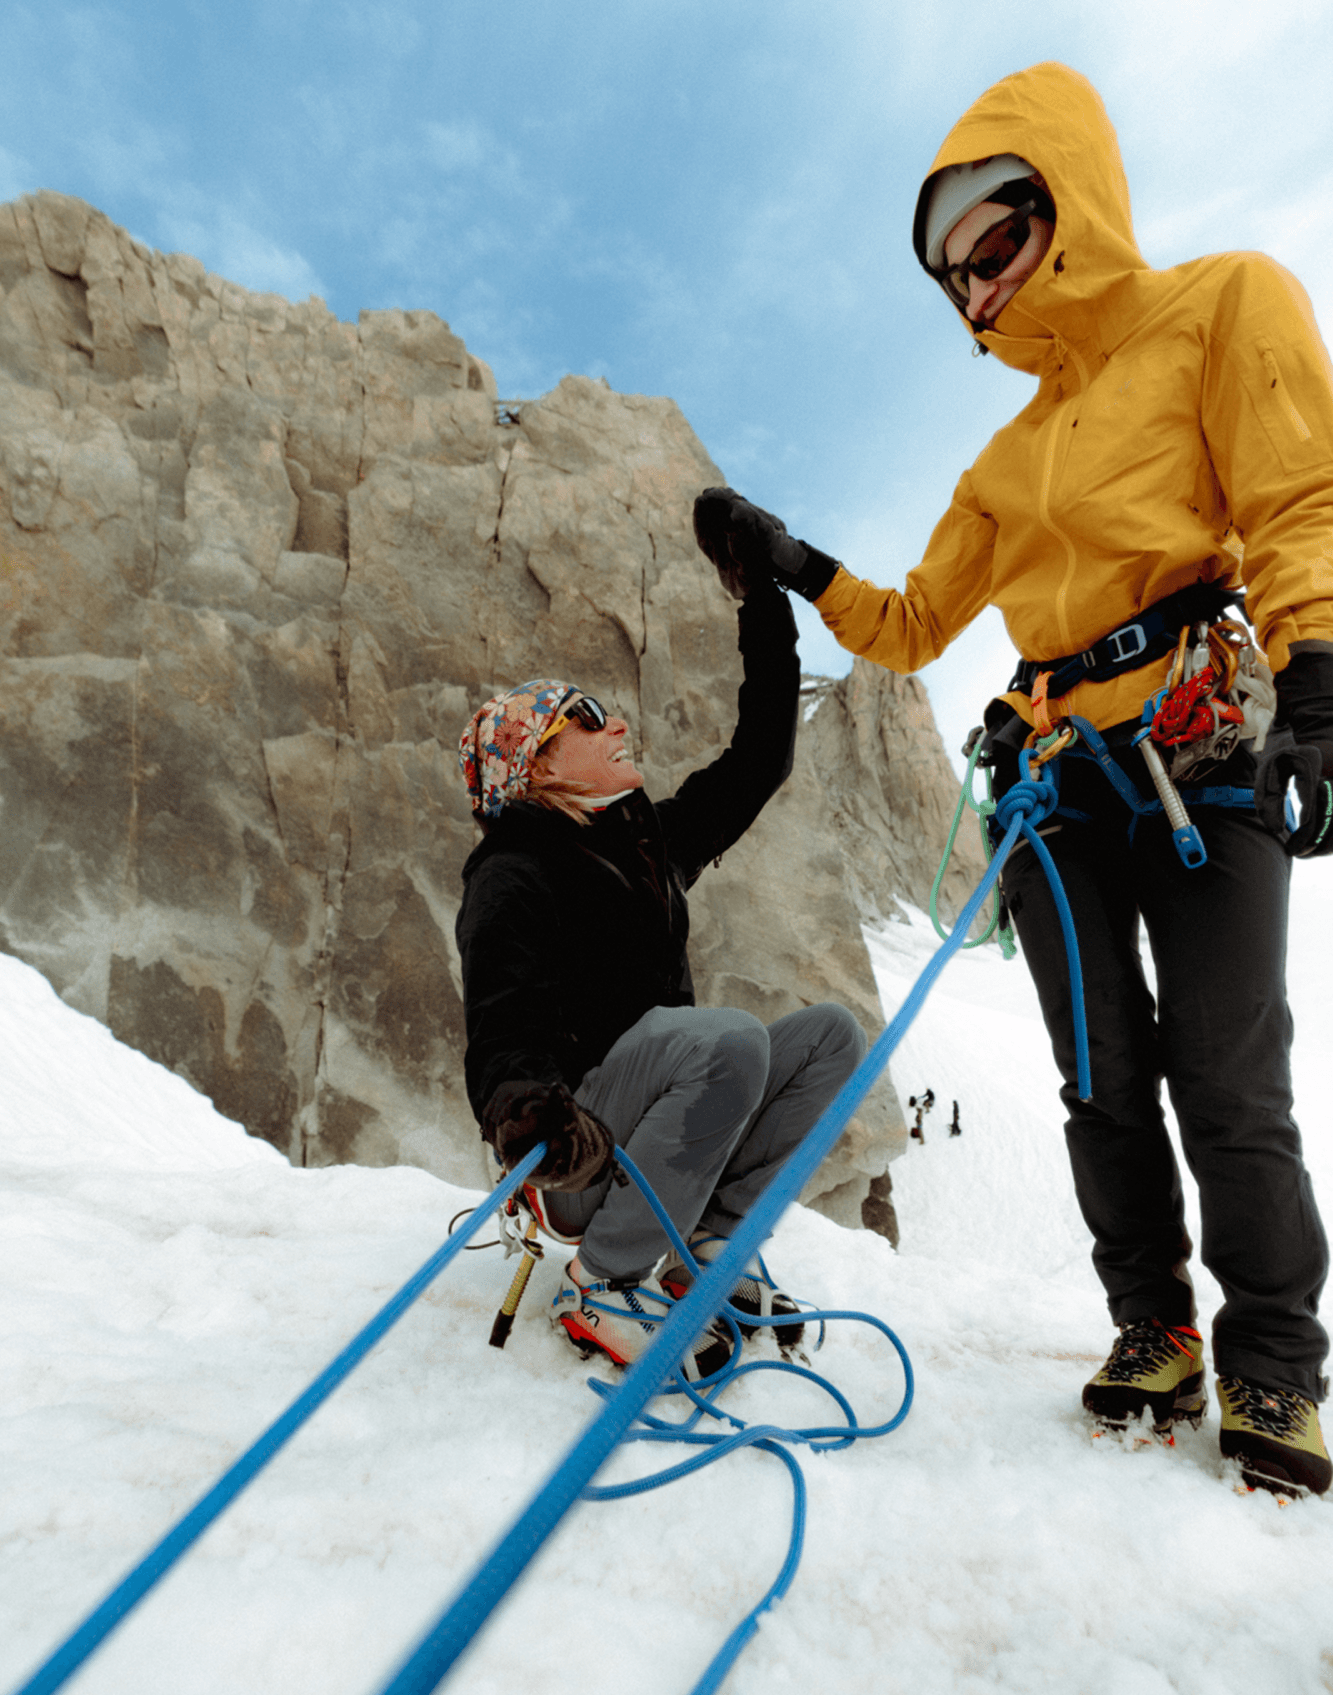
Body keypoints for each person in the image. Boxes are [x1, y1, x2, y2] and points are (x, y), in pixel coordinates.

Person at [692, 62, 1333, 1495]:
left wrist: (1319, 680)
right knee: (1100, 1079)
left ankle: (1278, 1366)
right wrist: (796, 565)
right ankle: (1152, 1332)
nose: (976, 284)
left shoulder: (1221, 305)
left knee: (1229, 1071)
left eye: (995, 236)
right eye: (950, 274)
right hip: (1057, 787)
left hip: (1200, 749)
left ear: (1068, 197)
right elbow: (914, 622)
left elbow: (1300, 496)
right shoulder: (1005, 456)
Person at [455, 572, 866, 1378]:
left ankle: (703, 1252)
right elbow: (500, 1025)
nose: (616, 724)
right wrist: (532, 1116)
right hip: (575, 1153)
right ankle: (600, 1282)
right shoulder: (510, 872)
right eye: (585, 719)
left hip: (653, 1122)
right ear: (533, 766)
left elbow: (758, 762)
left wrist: (763, 605)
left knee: (830, 1041)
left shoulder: (646, 848)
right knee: (724, 1041)